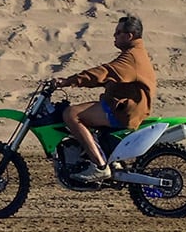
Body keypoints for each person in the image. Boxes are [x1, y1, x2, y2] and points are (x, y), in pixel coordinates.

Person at [51, 14, 155, 183]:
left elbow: (104, 72)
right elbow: (108, 78)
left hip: (124, 111)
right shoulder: (135, 54)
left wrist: (69, 81)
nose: (114, 36)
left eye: (118, 32)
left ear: (129, 36)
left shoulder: (132, 57)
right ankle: (107, 158)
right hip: (122, 106)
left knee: (71, 114)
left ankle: (99, 166)